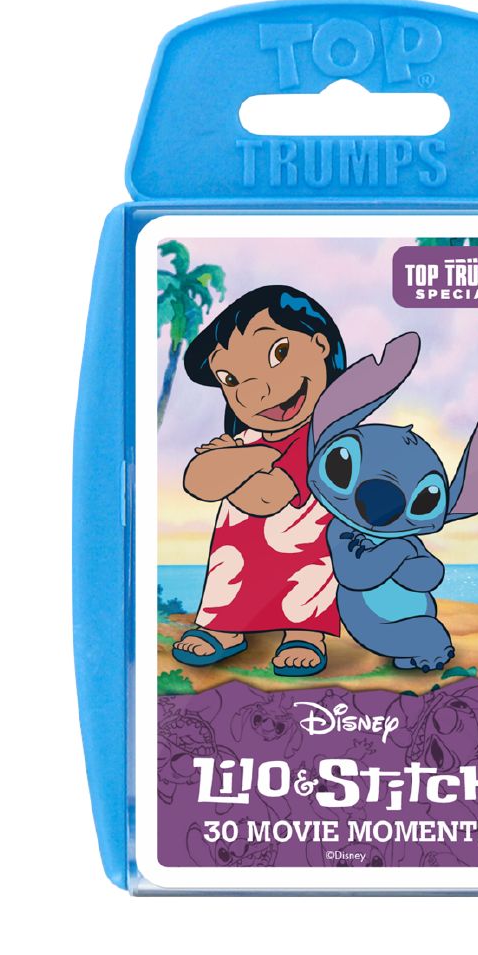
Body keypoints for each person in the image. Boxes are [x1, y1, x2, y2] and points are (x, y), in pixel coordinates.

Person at [172, 285, 346, 676]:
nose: (254, 392)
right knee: (229, 578)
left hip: (304, 553)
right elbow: (197, 482)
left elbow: (265, 498)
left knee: (306, 587)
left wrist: (232, 464)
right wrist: (251, 457)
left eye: (277, 353)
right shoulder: (249, 440)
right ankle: (225, 629)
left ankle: (304, 635)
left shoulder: (320, 444)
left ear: (320, 345)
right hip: (237, 555)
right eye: (230, 378)